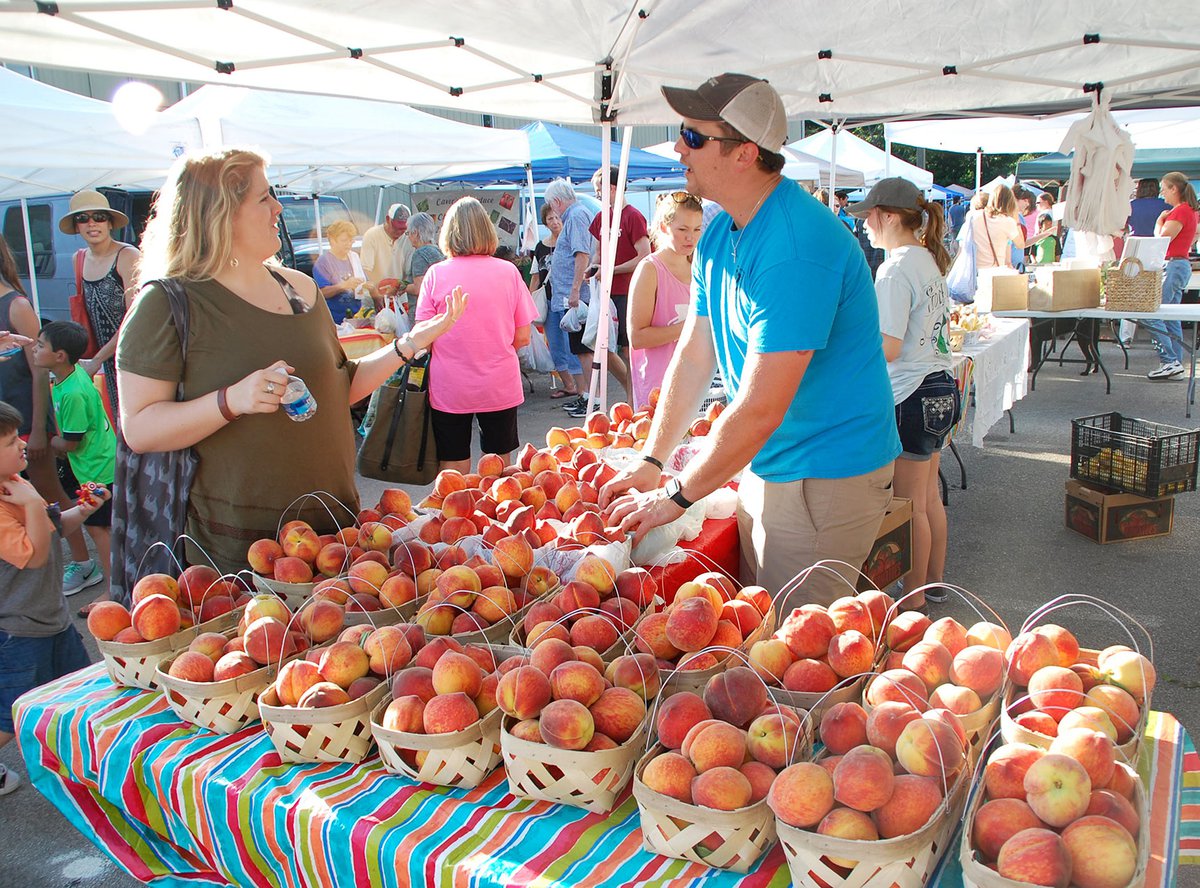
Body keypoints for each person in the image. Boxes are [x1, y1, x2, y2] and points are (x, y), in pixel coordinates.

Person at [602, 73, 900, 606]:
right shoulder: (719, 232)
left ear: (744, 154)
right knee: (760, 626)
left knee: (796, 648)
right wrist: (653, 459)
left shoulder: (795, 245)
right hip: (771, 460)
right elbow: (695, 357)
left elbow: (763, 405)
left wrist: (676, 495)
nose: (677, 146)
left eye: (693, 136)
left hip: (825, 473)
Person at [117, 148, 465, 575]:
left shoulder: (298, 288)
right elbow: (140, 428)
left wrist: (411, 342)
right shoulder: (168, 303)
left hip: (336, 529)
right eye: (264, 198)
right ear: (219, 212)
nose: (278, 208)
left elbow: (342, 387)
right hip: (243, 549)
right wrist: (231, 400)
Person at [850, 178, 960, 610]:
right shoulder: (927, 260)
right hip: (939, 388)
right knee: (929, 495)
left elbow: (889, 347)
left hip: (911, 394)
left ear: (888, 216)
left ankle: (914, 599)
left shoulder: (894, 269)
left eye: (869, 217)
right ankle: (933, 582)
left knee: (910, 502)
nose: (865, 226)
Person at [0, 400, 106, 797]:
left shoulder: (17, 481)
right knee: (10, 716)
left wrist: (83, 508)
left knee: (78, 693)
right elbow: (36, 554)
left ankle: (82, 764)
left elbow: (53, 526)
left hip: (51, 618)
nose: (23, 446)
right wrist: (29, 506)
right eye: (11, 442)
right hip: (18, 630)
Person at [0, 237, 99, 596]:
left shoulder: (16, 304)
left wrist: (40, 430)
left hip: (25, 421)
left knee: (46, 490)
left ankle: (83, 562)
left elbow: (39, 369)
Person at [415, 197, 536, 472]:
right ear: (487, 230)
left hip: (449, 385)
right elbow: (523, 336)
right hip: (498, 382)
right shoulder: (509, 272)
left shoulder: (435, 275)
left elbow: (422, 337)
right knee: (498, 470)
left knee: (453, 469)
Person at [33, 321, 117, 614]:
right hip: (96, 465)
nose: (35, 348)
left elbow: (71, 443)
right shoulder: (68, 375)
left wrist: (47, 439)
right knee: (103, 527)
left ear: (60, 355)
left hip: (97, 471)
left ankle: (112, 590)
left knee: (99, 529)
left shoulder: (72, 393)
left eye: (41, 345)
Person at [59, 190, 140, 432]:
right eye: (83, 218)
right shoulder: (79, 259)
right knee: (118, 426)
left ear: (109, 222)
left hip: (134, 358)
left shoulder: (127, 256)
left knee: (137, 425)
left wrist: (97, 359)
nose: (92, 223)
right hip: (106, 362)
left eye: (99, 216)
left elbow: (134, 318)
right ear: (76, 225)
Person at [627, 191, 703, 410]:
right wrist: (689, 327)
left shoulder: (699, 267)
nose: (691, 237)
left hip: (697, 386)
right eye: (682, 230)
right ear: (663, 227)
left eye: (697, 229)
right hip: (658, 389)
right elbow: (638, 337)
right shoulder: (650, 270)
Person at [587, 166, 649, 403]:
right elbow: (597, 252)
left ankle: (635, 399)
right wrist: (593, 267)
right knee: (600, 347)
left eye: (599, 190)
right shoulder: (601, 217)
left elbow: (644, 255)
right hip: (605, 293)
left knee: (628, 349)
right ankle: (631, 393)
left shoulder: (633, 216)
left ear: (612, 188)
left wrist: (611, 270)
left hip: (629, 292)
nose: (597, 195)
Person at [544, 179, 598, 414]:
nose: (553, 210)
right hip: (573, 295)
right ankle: (588, 395)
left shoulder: (576, 216)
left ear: (556, 202)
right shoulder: (577, 215)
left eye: (551, 205)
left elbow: (581, 253)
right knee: (579, 348)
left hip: (576, 297)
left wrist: (575, 289)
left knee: (583, 347)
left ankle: (592, 398)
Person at [1144, 172, 1200, 380]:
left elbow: (1161, 239)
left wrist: (1159, 222)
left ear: (1174, 189)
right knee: (1170, 316)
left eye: (1164, 189)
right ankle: (1174, 361)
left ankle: (1169, 360)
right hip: (1178, 264)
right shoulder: (1187, 211)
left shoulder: (1180, 212)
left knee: (1154, 314)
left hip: (1173, 264)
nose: (1162, 193)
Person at [529, 203, 581, 400]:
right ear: (545, 222)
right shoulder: (541, 247)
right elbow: (535, 276)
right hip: (548, 302)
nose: (555, 222)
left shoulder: (569, 242)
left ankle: (581, 386)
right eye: (550, 218)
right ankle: (568, 384)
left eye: (557, 217)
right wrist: (529, 301)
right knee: (556, 345)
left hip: (568, 301)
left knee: (572, 344)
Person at [312, 219, 376, 322]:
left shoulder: (354, 258)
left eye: (351, 240)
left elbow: (363, 280)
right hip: (334, 319)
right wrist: (343, 285)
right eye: (344, 240)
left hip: (356, 317)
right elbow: (321, 293)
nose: (348, 244)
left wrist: (366, 285)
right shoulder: (323, 262)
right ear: (332, 240)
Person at [966, 183, 1024, 269]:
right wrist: (1017, 221)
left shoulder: (973, 216)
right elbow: (1021, 245)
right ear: (1010, 202)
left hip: (973, 270)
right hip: (994, 271)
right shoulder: (1008, 222)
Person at [359, 203, 409, 297]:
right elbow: (366, 270)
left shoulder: (408, 238)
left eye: (403, 229)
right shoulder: (372, 235)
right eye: (396, 228)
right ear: (387, 219)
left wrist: (399, 287)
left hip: (399, 296)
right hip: (375, 295)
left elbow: (409, 272)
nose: (399, 232)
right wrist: (377, 293)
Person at [402, 212, 444, 305]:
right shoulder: (438, 251)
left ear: (415, 233)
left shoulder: (419, 254)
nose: (408, 237)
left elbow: (419, 288)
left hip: (422, 310)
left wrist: (402, 287)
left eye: (408, 233)